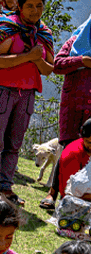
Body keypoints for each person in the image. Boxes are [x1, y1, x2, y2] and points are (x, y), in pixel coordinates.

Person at [0, 0, 55, 204]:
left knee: (14, 145)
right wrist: (28, 56)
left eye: (39, 6)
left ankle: (6, 188)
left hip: (26, 93)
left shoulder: (43, 34)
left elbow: (48, 68)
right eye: (29, 6)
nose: (34, 10)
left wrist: (35, 59)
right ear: (20, 7)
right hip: (0, 90)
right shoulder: (8, 27)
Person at [44, 14, 91, 209]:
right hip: (73, 105)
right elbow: (57, 65)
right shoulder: (75, 42)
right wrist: (82, 60)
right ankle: (52, 194)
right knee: (67, 148)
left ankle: (79, 199)